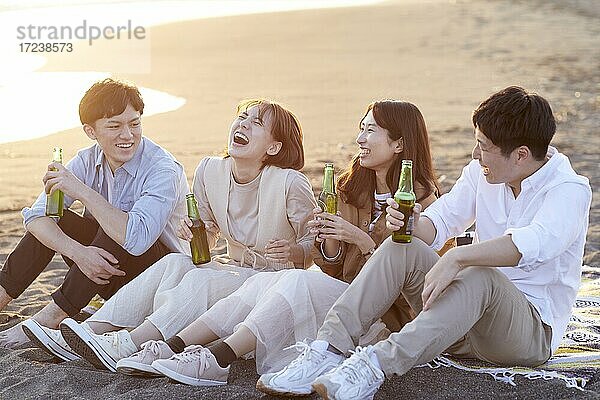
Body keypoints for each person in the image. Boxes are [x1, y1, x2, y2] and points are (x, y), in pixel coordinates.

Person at [257, 86, 592, 400]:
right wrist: (410, 224)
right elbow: (442, 220)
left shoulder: (568, 190)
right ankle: (326, 350)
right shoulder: (481, 173)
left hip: (526, 333)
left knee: (481, 273)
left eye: (484, 146)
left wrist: (458, 258)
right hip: (458, 322)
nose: (475, 155)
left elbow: (530, 245)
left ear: (520, 155)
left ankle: (374, 366)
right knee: (401, 244)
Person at [104, 100, 442, 387]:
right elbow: (331, 266)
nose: (359, 138)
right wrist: (330, 244)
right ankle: (179, 347)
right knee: (274, 280)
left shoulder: (424, 203)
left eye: (370, 131)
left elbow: (416, 277)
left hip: (385, 316)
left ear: (399, 144)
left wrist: (359, 239)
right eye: (361, 128)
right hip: (339, 296)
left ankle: (217, 357)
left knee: (293, 277)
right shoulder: (350, 189)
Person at [45, 99, 317, 371]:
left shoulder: (290, 183)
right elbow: (208, 238)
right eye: (242, 117)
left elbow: (317, 246)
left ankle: (131, 341)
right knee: (174, 262)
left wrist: (295, 252)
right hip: (235, 272)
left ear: (273, 147)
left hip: (272, 282)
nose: (243, 123)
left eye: (256, 123)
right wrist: (193, 233)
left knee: (202, 278)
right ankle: (90, 330)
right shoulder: (210, 171)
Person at [0, 78, 189, 349]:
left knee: (118, 227)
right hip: (109, 274)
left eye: (134, 123)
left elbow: (135, 238)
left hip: (163, 282)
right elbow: (35, 218)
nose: (128, 135)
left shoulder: (163, 169)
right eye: (114, 126)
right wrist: (79, 253)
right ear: (91, 131)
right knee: (57, 218)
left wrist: (83, 192)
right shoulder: (87, 160)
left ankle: (50, 317)